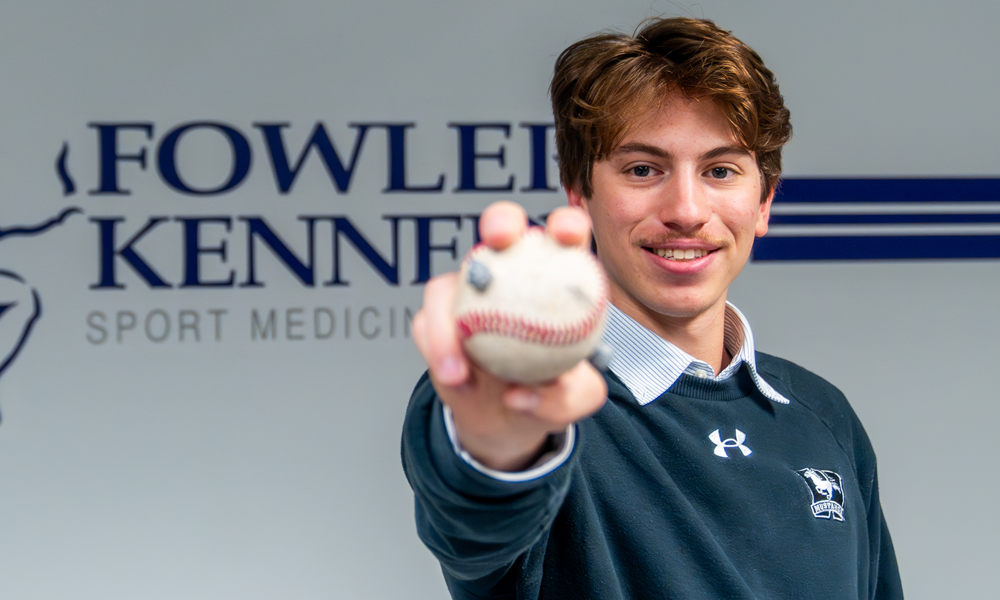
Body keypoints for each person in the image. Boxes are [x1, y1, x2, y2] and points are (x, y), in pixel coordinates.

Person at [402, 16, 903, 599]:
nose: (686, 210)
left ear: (763, 201)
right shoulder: (532, 396)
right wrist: (499, 442)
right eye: (643, 169)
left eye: (720, 170)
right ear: (578, 192)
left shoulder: (824, 415)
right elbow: (476, 511)